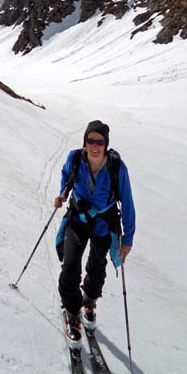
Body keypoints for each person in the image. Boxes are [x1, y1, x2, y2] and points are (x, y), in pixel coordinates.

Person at [54, 120, 135, 344]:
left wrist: (127, 240)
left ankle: (88, 302)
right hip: (78, 219)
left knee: (97, 268)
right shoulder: (75, 158)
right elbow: (66, 177)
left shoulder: (117, 168)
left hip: (103, 224)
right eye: (90, 140)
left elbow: (127, 203)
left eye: (99, 141)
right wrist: (62, 195)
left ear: (106, 144)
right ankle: (73, 313)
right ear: (85, 141)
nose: (94, 145)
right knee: (70, 267)